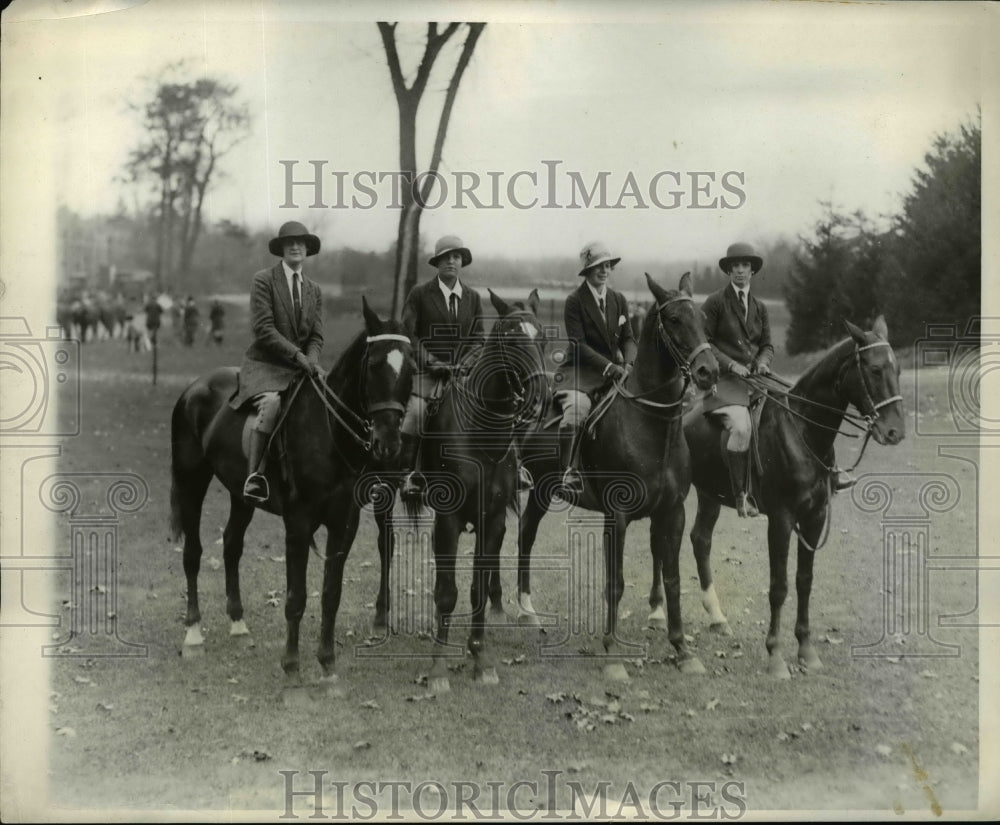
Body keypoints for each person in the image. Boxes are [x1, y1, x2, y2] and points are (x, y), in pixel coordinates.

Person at [229, 221, 325, 504]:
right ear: (282, 249)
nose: (295, 247)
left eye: (301, 242)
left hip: (302, 366)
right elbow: (264, 329)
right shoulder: (264, 280)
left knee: (328, 400)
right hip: (266, 365)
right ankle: (255, 475)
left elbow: (317, 335)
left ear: (307, 249)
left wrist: (312, 360)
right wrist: (298, 357)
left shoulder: (314, 289)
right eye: (289, 243)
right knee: (271, 404)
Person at [553, 241, 637, 496]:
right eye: (598, 266)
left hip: (617, 371)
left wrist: (630, 363)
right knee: (578, 409)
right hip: (581, 371)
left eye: (608, 266)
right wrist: (610, 366)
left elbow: (628, 338)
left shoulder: (618, 299)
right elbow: (578, 345)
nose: (604, 271)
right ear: (587, 271)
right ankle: (569, 470)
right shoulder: (574, 301)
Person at [700, 241, 773, 517]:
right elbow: (704, 344)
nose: (740, 271)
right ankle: (742, 496)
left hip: (756, 382)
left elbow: (767, 345)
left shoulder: (760, 307)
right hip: (725, 384)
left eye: (745, 266)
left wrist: (763, 362)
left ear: (752, 270)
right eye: (735, 266)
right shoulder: (716, 302)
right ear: (728, 271)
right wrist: (731, 365)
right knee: (742, 428)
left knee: (789, 409)